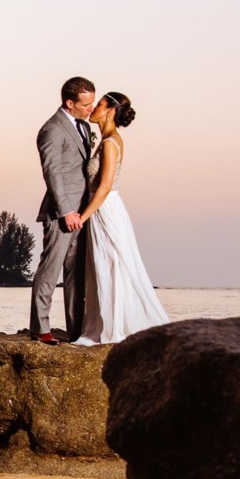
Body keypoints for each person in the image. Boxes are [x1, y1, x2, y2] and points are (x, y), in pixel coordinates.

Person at [72, 92, 170, 345]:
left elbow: (104, 187)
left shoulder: (111, 143)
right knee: (103, 265)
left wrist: (82, 217)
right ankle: (103, 322)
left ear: (111, 111)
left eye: (99, 105)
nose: (93, 108)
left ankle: (114, 327)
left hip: (106, 209)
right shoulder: (105, 141)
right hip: (102, 208)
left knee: (112, 263)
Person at [30, 76, 97, 345]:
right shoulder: (52, 129)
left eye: (92, 103)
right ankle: (40, 328)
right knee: (50, 269)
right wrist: (66, 211)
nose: (91, 109)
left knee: (76, 275)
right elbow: (52, 173)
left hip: (83, 212)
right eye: (86, 104)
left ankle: (76, 330)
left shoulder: (83, 126)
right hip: (62, 213)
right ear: (69, 103)